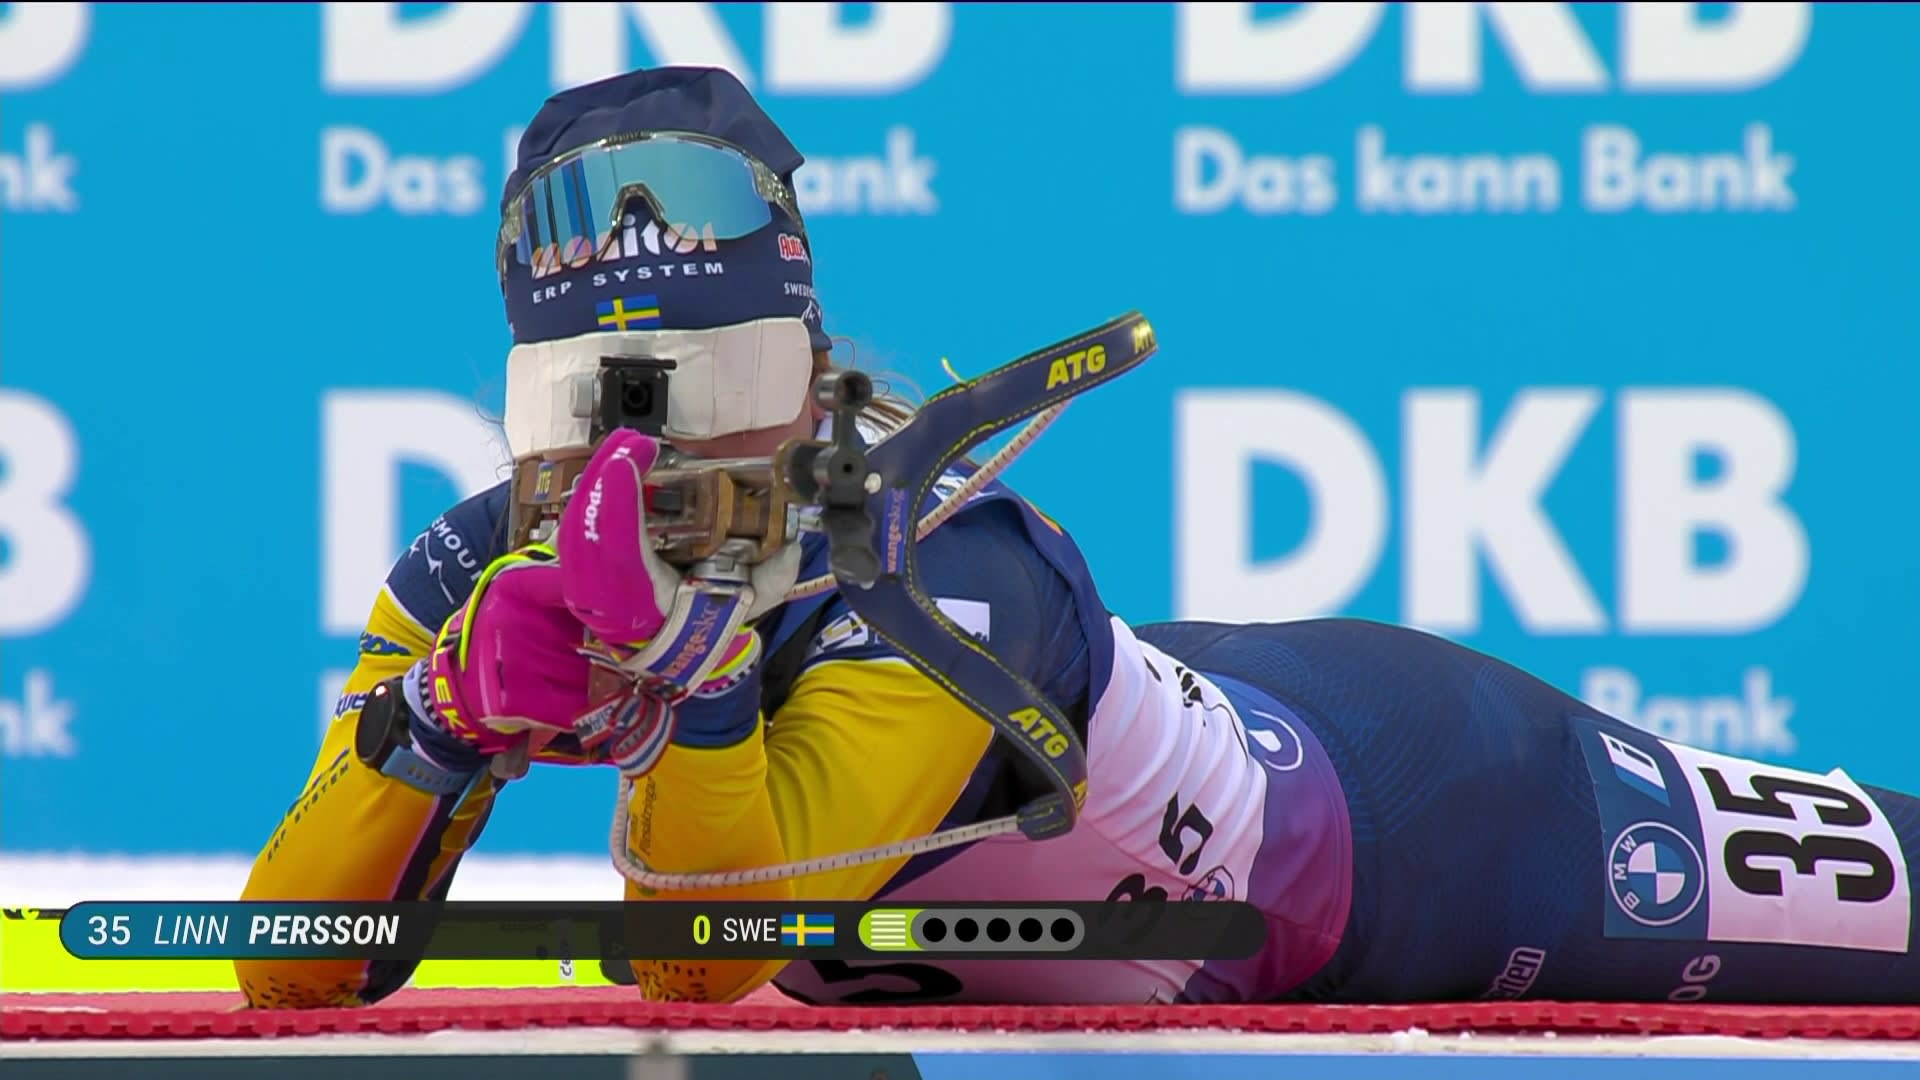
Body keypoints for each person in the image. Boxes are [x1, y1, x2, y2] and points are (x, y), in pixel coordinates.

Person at [237, 66, 1919, 1010]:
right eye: (605, 403)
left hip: (1431, 828)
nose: (657, 452)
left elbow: (698, 959)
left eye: (708, 391)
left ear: (802, 371)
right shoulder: (480, 567)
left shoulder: (943, 567)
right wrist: (431, 726)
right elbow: (284, 974)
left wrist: (706, 678)